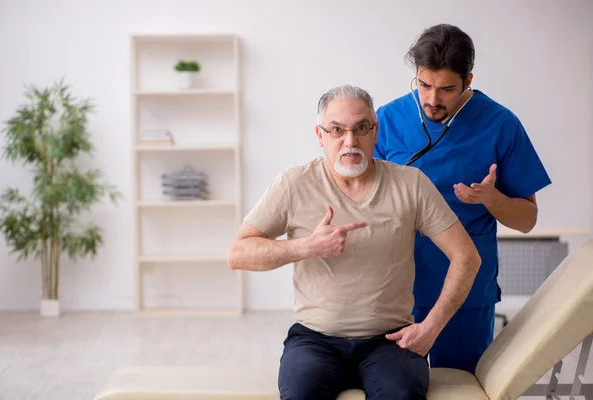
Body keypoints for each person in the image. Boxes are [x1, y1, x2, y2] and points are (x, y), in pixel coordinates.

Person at [227, 85, 481, 400]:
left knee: (400, 395)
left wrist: (430, 328)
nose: (350, 141)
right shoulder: (292, 184)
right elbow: (237, 253)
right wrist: (306, 247)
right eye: (337, 130)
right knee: (300, 394)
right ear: (320, 136)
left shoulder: (411, 184)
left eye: (360, 128)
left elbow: (467, 257)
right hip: (314, 340)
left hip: (389, 341)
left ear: (375, 132)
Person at [374, 24, 552, 373]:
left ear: (468, 81)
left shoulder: (500, 125)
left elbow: (527, 220)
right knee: (392, 389)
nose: (432, 100)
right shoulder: (387, 120)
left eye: (446, 89)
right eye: (424, 85)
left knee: (461, 388)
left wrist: (491, 198)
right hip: (394, 290)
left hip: (465, 295)